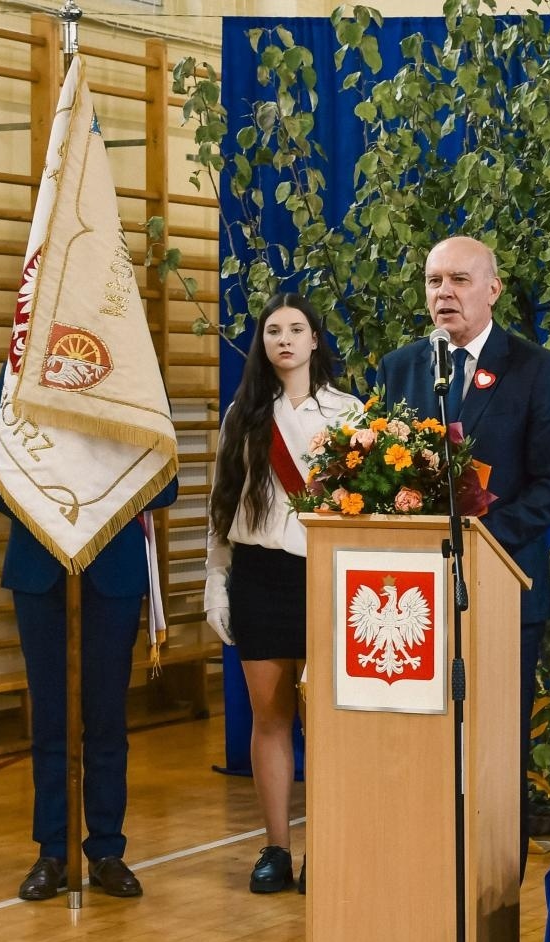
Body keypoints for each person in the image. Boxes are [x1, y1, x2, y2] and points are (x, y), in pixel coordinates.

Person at [375, 235, 550, 872]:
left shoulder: (534, 368)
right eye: (434, 281)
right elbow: (380, 472)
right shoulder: (401, 367)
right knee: (419, 749)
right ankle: (419, 880)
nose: (444, 294)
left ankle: (493, 891)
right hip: (410, 598)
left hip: (500, 591)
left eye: (459, 281)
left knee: (492, 749)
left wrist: (482, 535)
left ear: (493, 290)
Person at [0, 373, 178, 902]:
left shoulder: (130, 366)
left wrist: (97, 501)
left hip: (111, 569)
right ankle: (53, 849)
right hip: (41, 568)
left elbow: (167, 480)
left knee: (107, 717)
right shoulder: (21, 370)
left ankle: (107, 849)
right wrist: (57, 507)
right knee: (51, 717)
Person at [205, 292, 363, 893]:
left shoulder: (348, 414)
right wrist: (216, 582)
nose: (285, 340)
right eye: (273, 331)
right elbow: (220, 506)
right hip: (259, 574)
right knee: (269, 718)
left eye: (297, 329)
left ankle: (327, 846)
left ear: (315, 339)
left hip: (326, 574)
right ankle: (276, 848)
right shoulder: (243, 415)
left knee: (325, 721)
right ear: (262, 343)